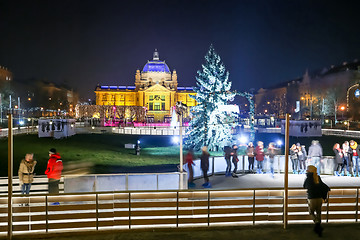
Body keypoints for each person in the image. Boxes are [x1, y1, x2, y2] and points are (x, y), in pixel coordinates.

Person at [303, 165, 330, 237]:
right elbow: (323, 187)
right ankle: (318, 227)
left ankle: (317, 223)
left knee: (311, 212)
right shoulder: (318, 178)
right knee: (318, 212)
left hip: (312, 198)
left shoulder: (308, 178)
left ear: (309, 171)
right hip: (319, 198)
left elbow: (304, 186)